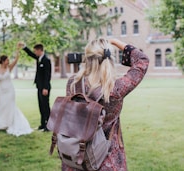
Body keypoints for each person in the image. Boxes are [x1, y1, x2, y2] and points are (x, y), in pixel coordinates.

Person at [62, 38, 149, 170]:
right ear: (109, 60)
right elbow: (142, 60)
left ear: (87, 59)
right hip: (107, 159)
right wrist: (116, 42)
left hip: (77, 155)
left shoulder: (73, 84)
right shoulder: (115, 89)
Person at [0, 45, 33, 136]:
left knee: (10, 107)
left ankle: (10, 123)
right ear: (2, 61)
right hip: (2, 92)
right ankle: (2, 124)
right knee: (2, 107)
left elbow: (16, 59)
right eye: (7, 60)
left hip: (10, 91)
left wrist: (17, 49)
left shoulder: (9, 68)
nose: (8, 61)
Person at [18, 42, 51, 132]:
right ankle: (42, 124)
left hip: (44, 88)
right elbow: (30, 54)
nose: (35, 52)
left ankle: (49, 125)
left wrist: (46, 88)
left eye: (36, 51)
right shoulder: (38, 58)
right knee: (40, 106)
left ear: (40, 50)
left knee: (45, 106)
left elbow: (47, 75)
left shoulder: (46, 60)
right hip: (39, 86)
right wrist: (24, 47)